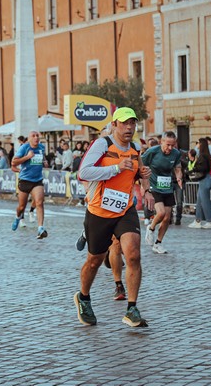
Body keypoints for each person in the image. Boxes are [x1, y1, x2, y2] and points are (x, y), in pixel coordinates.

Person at [75, 106, 152, 327]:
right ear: (115, 125)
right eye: (125, 123)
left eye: (133, 123)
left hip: (124, 209)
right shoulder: (103, 144)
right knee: (94, 261)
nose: (129, 127)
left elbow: (141, 172)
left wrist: (146, 186)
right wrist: (115, 168)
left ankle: (132, 309)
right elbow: (84, 172)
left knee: (134, 255)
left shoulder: (136, 148)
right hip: (99, 211)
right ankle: (84, 297)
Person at [142, 131, 182, 254]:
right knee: (161, 213)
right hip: (154, 186)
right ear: (162, 142)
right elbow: (141, 166)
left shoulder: (176, 153)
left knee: (167, 218)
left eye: (173, 145)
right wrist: (144, 186)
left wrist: (179, 177)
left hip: (167, 187)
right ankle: (151, 228)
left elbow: (177, 167)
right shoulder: (152, 152)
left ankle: (158, 243)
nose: (170, 148)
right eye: (168, 145)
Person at [10, 130, 48, 239]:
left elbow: (41, 157)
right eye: (33, 136)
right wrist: (27, 157)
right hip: (25, 180)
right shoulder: (24, 148)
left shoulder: (41, 147)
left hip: (37, 180)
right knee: (21, 207)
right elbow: (14, 162)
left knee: (39, 202)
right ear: (29, 139)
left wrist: (44, 162)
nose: (36, 137)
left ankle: (40, 228)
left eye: (37, 136)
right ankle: (18, 217)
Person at [188, 139, 211, 229]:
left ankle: (210, 221)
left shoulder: (203, 156)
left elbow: (202, 167)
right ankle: (198, 220)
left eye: (198, 143)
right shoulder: (205, 155)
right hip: (205, 179)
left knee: (205, 201)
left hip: (204, 179)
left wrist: (194, 169)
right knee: (199, 202)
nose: (197, 145)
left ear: (201, 144)